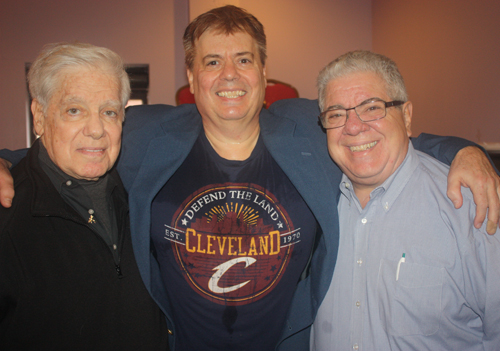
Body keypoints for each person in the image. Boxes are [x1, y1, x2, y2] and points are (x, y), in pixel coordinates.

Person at [0, 6, 499, 351]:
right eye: (212, 62)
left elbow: (374, 128)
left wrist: (465, 151)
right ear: (191, 78)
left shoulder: (309, 127)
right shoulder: (148, 133)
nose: (230, 75)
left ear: (264, 73)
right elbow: (69, 144)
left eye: (244, 59)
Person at [311, 50, 500, 351]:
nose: (353, 127)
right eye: (336, 114)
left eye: (372, 108)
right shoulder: (314, 199)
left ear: (407, 116)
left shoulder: (471, 207)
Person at [0, 42, 168, 350]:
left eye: (108, 112)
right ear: (39, 115)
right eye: (74, 110)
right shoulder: (8, 216)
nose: (95, 129)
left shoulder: (143, 187)